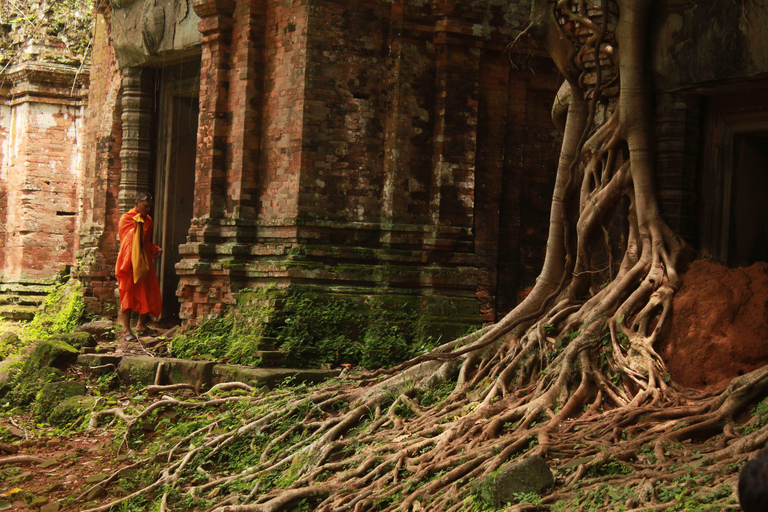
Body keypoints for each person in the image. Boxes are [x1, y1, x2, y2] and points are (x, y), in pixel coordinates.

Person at [115, 191, 162, 342]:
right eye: (145, 206)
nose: (148, 209)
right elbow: (127, 240)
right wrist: (137, 226)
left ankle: (141, 325)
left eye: (149, 207)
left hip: (143, 260)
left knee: (147, 291)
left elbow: (144, 241)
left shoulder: (147, 219)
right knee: (127, 293)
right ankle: (127, 330)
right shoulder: (126, 218)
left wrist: (154, 248)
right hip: (128, 261)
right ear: (137, 204)